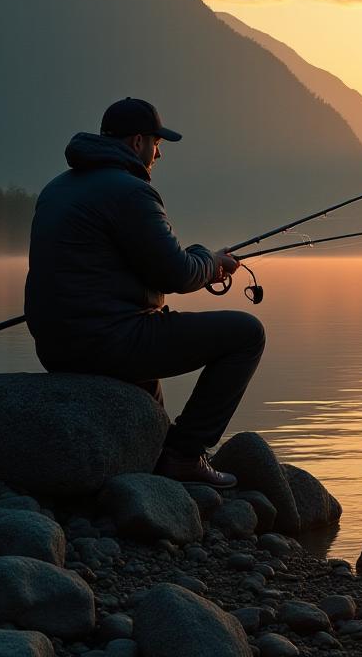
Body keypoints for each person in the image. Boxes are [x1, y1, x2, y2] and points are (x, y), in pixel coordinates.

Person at [24, 97, 264, 488]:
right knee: (247, 334)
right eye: (157, 143)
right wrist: (212, 261)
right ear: (138, 142)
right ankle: (184, 455)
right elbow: (177, 274)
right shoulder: (131, 192)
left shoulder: (56, 188)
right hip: (106, 343)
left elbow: (113, 268)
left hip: (55, 346)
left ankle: (153, 455)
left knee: (149, 360)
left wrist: (199, 262)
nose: (159, 154)